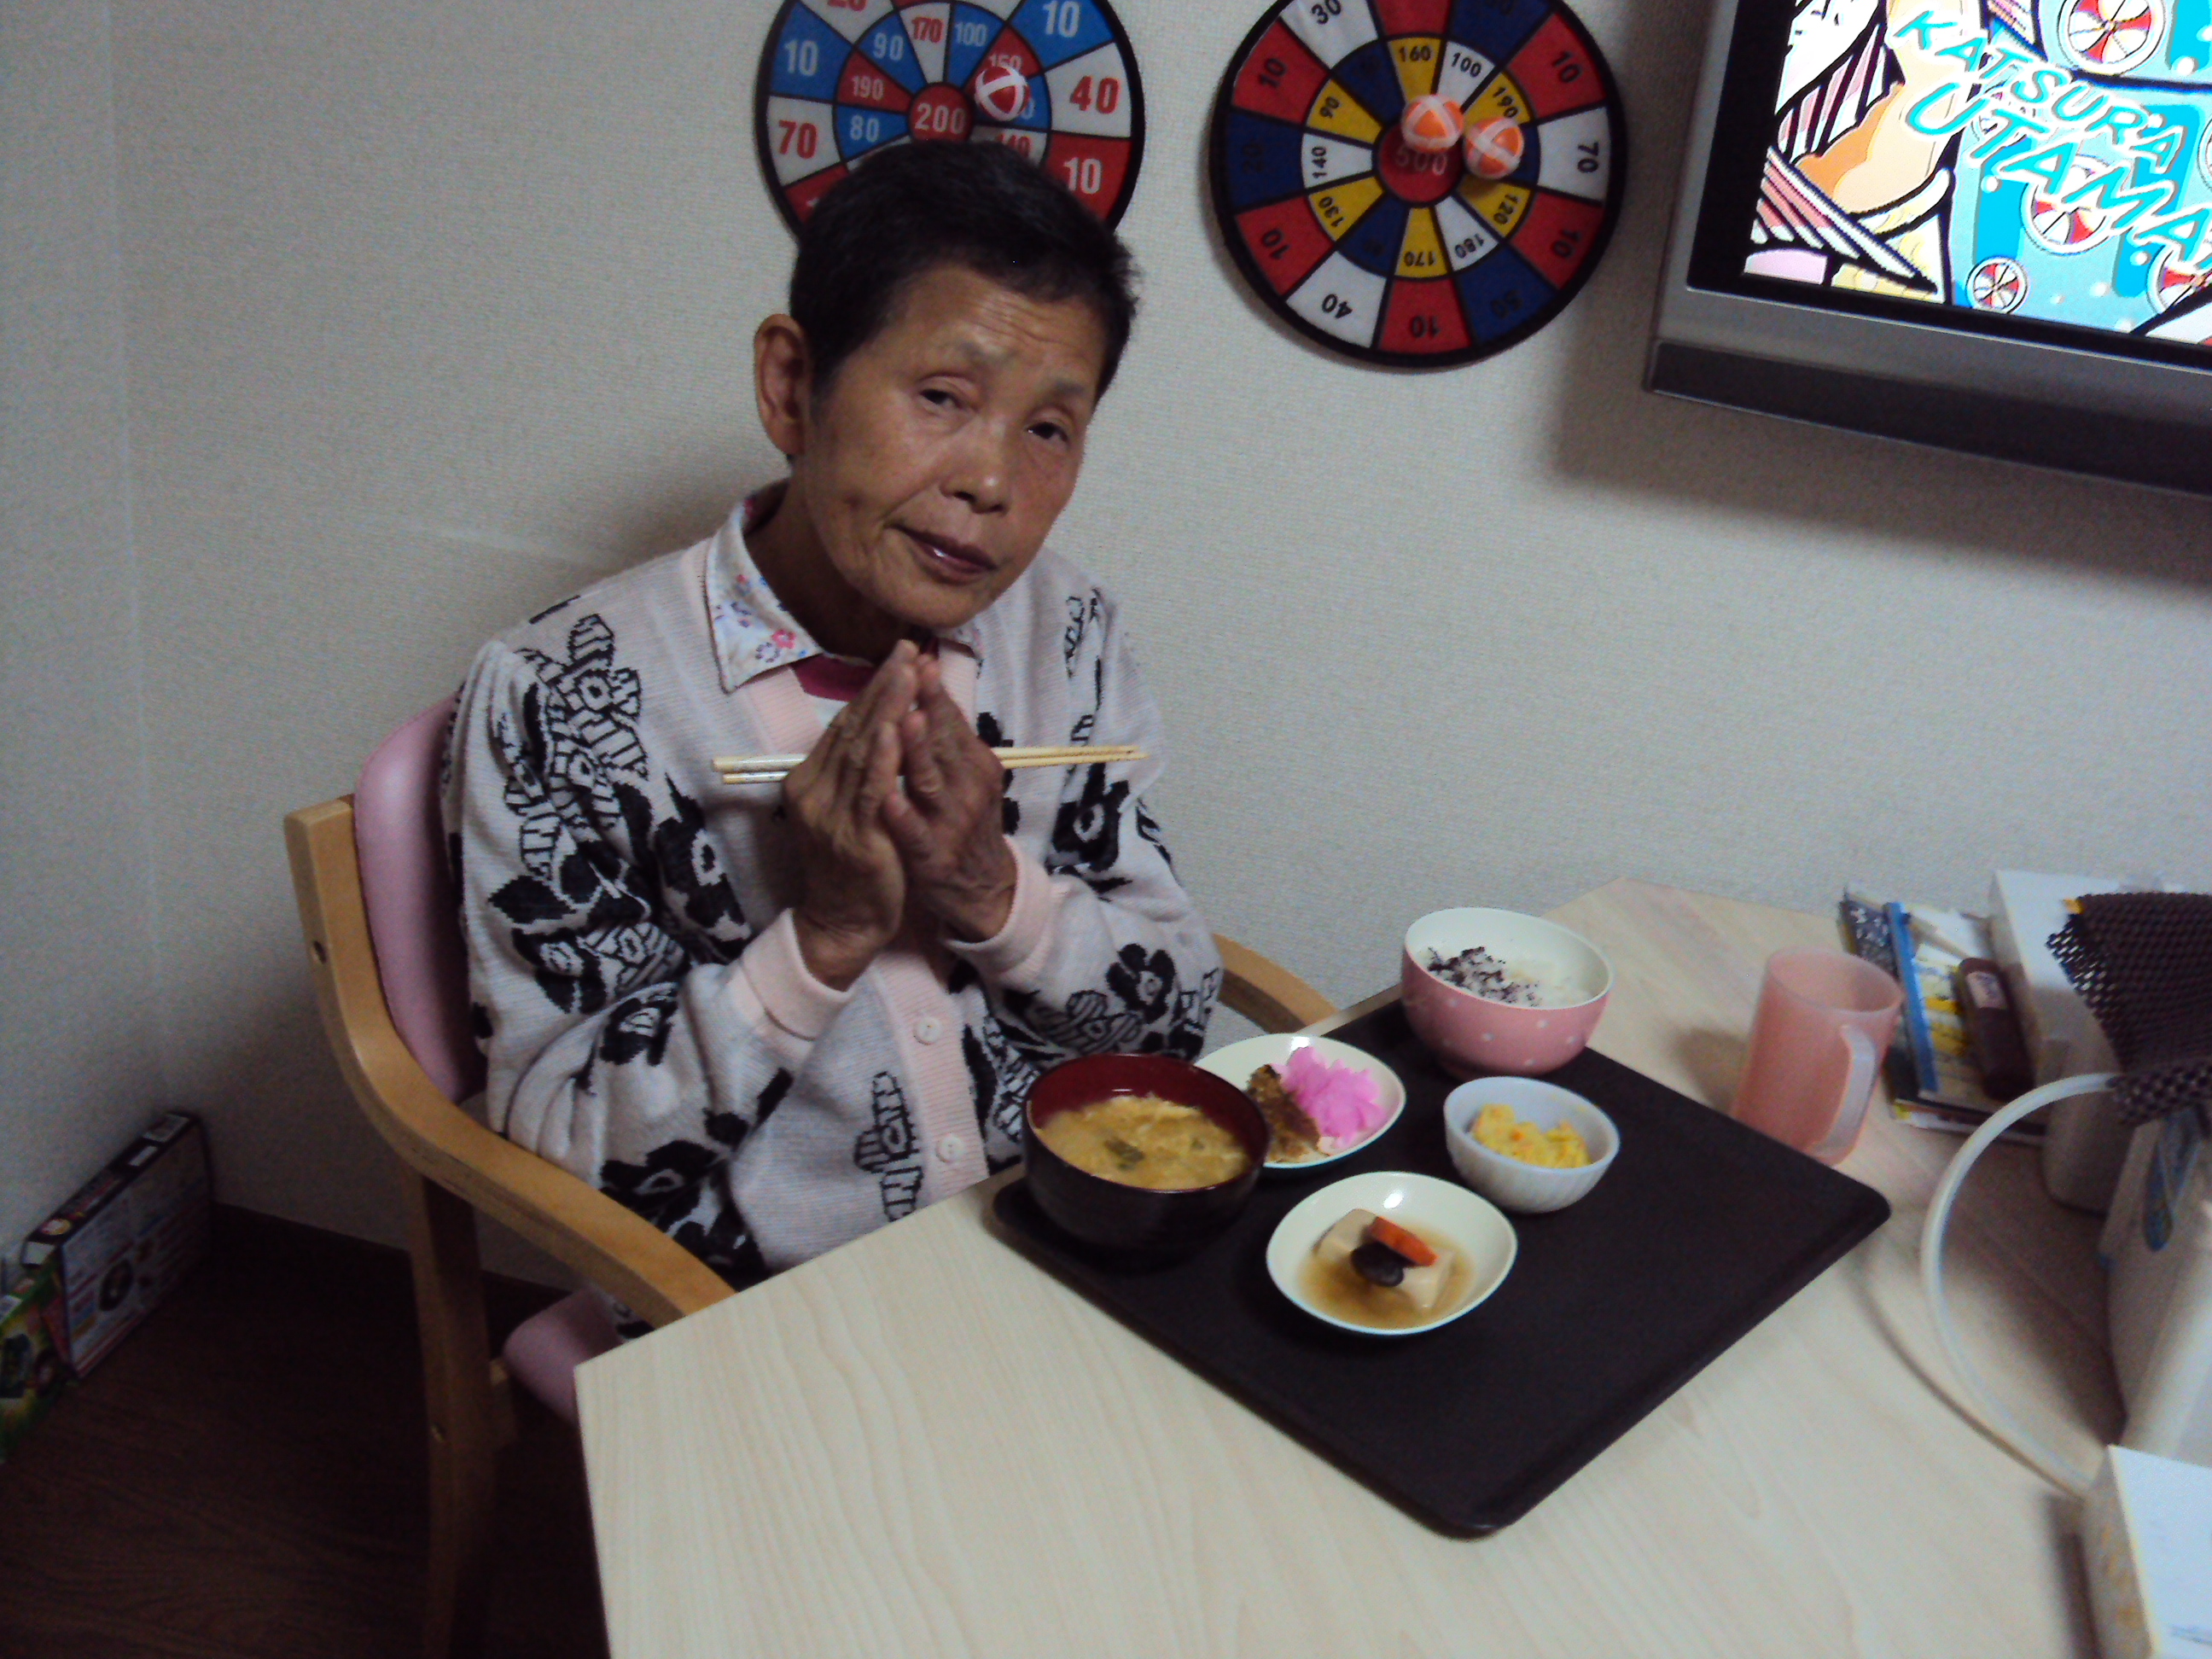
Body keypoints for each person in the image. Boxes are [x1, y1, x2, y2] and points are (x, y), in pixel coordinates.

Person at [443, 142, 1220, 1305]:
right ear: (791, 384)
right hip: (765, 1306)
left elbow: (1175, 1024)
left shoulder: (1067, 630)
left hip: (1076, 1233)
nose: (992, 482)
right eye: (944, 398)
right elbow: (564, 1148)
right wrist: (824, 936)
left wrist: (992, 895)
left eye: (1049, 429)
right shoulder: (560, 698)